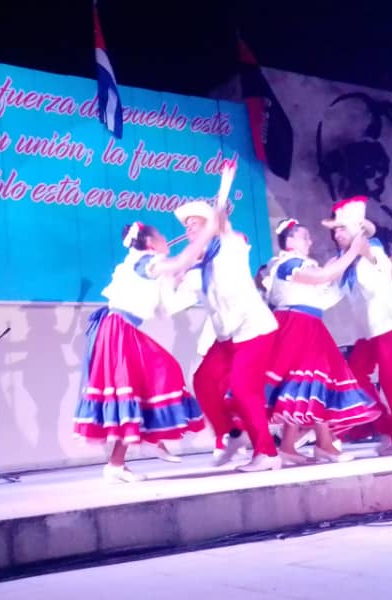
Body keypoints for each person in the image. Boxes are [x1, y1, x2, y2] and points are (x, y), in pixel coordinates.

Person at [73, 210, 222, 482]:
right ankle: (119, 462)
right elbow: (180, 262)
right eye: (162, 236)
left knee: (149, 381)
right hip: (118, 330)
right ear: (151, 243)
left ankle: (139, 447)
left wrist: (189, 268)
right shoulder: (147, 262)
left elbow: (169, 296)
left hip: (121, 329)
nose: (166, 239)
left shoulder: (146, 264)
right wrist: (205, 235)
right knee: (140, 384)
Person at [178, 166, 281, 472]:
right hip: (227, 338)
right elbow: (178, 296)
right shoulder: (201, 265)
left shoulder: (230, 242)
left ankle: (268, 453)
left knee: (243, 386)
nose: (190, 230)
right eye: (187, 226)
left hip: (254, 329)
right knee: (203, 381)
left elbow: (220, 216)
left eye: (195, 224)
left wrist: (224, 186)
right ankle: (230, 434)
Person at [263, 218, 382, 464]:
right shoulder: (288, 264)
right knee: (310, 379)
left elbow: (324, 289)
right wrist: (350, 253)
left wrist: (342, 261)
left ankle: (297, 445)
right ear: (291, 240)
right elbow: (323, 276)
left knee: (312, 383)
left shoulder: (301, 265)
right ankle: (322, 445)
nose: (310, 241)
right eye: (305, 236)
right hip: (297, 326)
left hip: (308, 324)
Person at [326, 196, 392, 456]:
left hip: (388, 323)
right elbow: (332, 295)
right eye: (335, 230)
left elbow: (383, 275)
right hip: (368, 331)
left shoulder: (372, 249)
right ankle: (388, 428)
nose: (337, 234)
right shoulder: (343, 260)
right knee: (354, 374)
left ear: (356, 229)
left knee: (390, 377)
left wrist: (367, 255)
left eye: (342, 229)